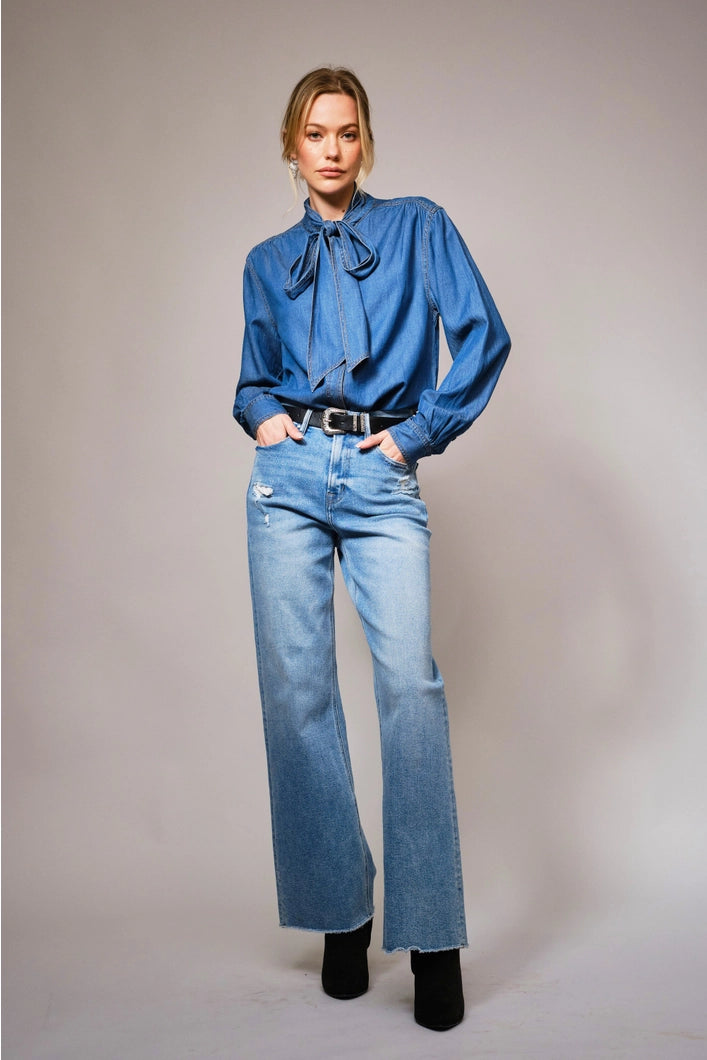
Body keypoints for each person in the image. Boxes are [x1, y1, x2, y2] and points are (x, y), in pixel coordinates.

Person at [233, 67, 510, 1031]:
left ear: (366, 143)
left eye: (347, 133)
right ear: (291, 145)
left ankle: (431, 935)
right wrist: (267, 424)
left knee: (409, 688)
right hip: (290, 480)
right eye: (315, 134)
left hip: (382, 474)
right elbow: (250, 382)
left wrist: (412, 435)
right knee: (298, 693)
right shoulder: (266, 261)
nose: (333, 149)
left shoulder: (420, 226)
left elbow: (481, 338)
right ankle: (339, 915)